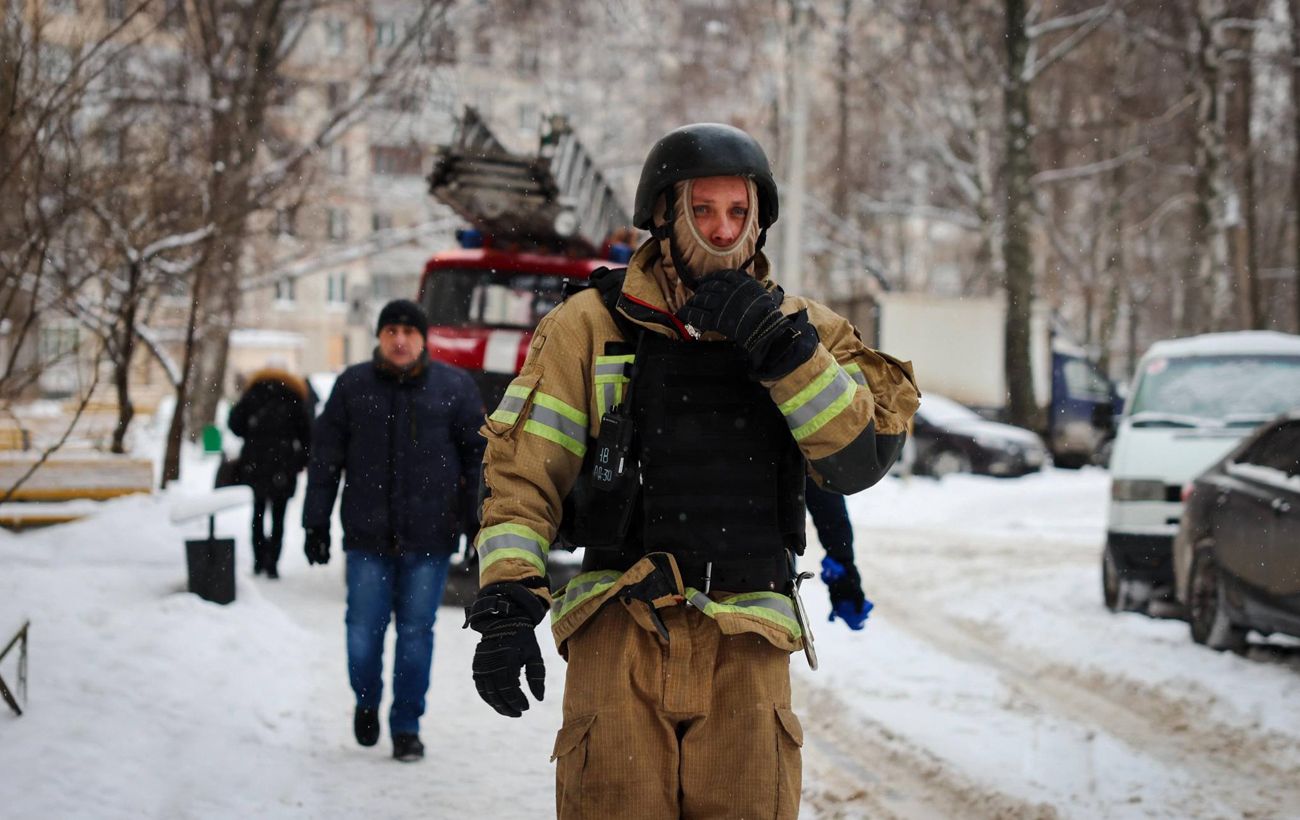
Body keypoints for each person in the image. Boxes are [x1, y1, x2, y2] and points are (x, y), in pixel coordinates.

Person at [465, 123, 920, 817]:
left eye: (738, 211)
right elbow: (524, 478)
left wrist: (782, 352)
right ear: (663, 215)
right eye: (702, 210)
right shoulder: (589, 326)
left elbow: (858, 459)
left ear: (760, 221)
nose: (722, 230)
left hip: (749, 642)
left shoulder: (806, 331)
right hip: (618, 629)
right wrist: (507, 601)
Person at [302, 299, 485, 763]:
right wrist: (315, 522)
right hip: (368, 537)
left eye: (409, 331)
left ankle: (406, 726)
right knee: (362, 631)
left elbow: (477, 463)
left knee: (415, 634)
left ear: (423, 338)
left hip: (430, 538)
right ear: (379, 337)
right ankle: (367, 700)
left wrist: (477, 525)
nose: (400, 340)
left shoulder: (454, 388)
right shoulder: (353, 386)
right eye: (391, 331)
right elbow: (325, 461)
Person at [227, 367, 313, 579]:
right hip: (283, 466)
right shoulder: (294, 396)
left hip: (255, 464)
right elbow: (307, 435)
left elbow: (235, 425)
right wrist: (299, 461)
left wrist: (253, 433)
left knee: (257, 513)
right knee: (278, 516)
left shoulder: (253, 394)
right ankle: (273, 562)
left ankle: (259, 561)